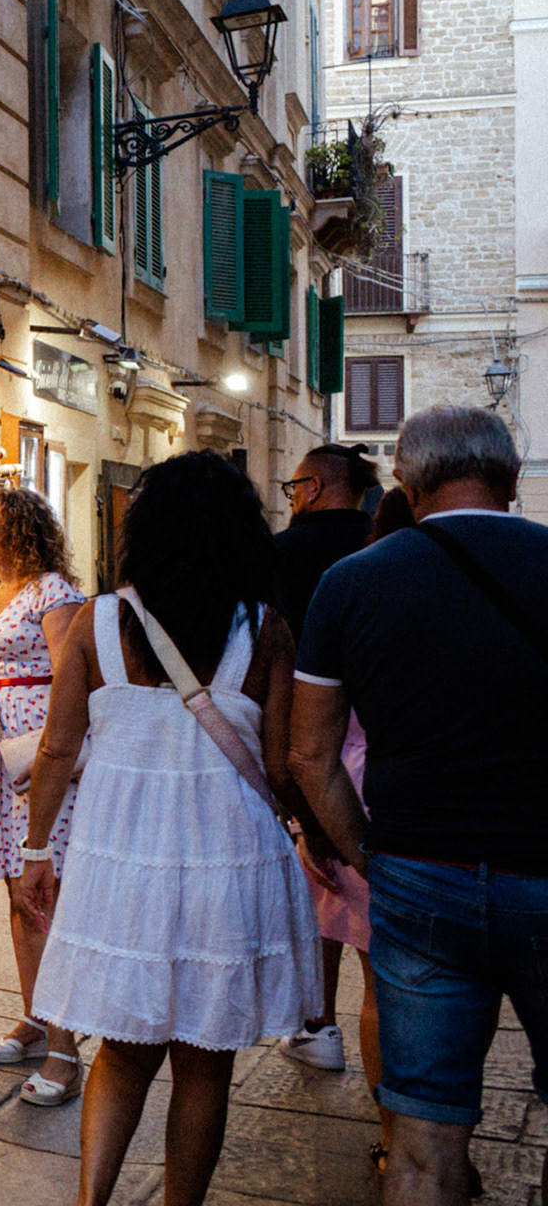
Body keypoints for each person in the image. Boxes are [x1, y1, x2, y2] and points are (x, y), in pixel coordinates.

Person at [20, 451, 322, 1206]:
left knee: (122, 1054)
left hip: (123, 861)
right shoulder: (266, 630)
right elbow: (281, 764)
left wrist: (35, 849)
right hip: (230, 860)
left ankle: (92, 1201)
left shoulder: (94, 622)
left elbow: (56, 747)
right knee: (204, 1064)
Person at [290, 406, 548, 1206]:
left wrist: (367, 855)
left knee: (421, 1140)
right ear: (512, 476)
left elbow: (309, 753)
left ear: (404, 481)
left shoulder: (351, 582)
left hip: (417, 872)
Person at [0, 488, 85, 1104]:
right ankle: (35, 1017)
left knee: (44, 899)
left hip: (36, 748)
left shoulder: (51, 593)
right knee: (16, 895)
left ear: (22, 532)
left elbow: (74, 677)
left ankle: (65, 1046)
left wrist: (56, 752)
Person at [273, 444, 379, 1075]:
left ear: (312, 488)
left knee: (321, 888)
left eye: (292, 488)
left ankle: (318, 1024)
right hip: (381, 746)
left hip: (304, 741)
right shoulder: (385, 547)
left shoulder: (279, 555)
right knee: (370, 914)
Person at [275, 443, 378, 640]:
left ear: (314, 486)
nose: (291, 500)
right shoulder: (384, 543)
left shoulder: (278, 550)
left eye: (294, 487)